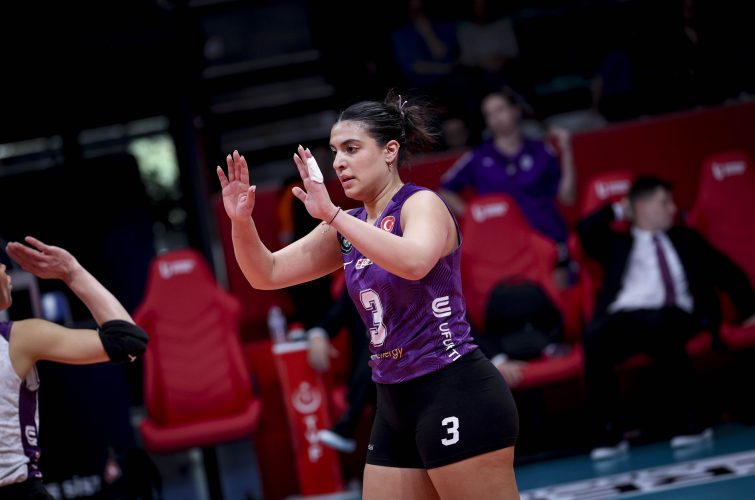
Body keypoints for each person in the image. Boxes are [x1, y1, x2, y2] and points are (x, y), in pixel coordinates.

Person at [216, 90, 520, 499]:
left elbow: (414, 261)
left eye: (351, 148)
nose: (338, 162)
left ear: (390, 151)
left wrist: (334, 216)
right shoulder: (347, 226)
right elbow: (265, 273)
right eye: (334, 152)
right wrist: (240, 223)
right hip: (393, 402)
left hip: (453, 388)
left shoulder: (421, 204)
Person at [576, 176, 755, 461]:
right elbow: (585, 230)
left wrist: (749, 311)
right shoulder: (617, 244)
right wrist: (620, 209)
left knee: (660, 324)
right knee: (595, 335)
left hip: (676, 314)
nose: (673, 208)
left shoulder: (686, 239)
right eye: (664, 202)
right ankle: (608, 432)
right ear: (642, 207)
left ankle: (691, 420)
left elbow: (727, 272)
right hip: (625, 317)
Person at [0, 237, 149, 498]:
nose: (6, 270)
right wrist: (72, 271)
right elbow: (128, 341)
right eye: (0, 265)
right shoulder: (20, 339)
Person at [438, 87, 576, 287]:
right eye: (489, 114)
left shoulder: (542, 150)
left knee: (558, 297)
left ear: (515, 110)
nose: (496, 118)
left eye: (500, 109)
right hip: (503, 248)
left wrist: (567, 151)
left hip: (547, 238)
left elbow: (568, 197)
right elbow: (445, 190)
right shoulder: (477, 157)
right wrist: (474, 215)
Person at [306, 284, 374, 454]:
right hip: (375, 384)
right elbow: (331, 320)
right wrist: (317, 336)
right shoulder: (359, 282)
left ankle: (348, 422)